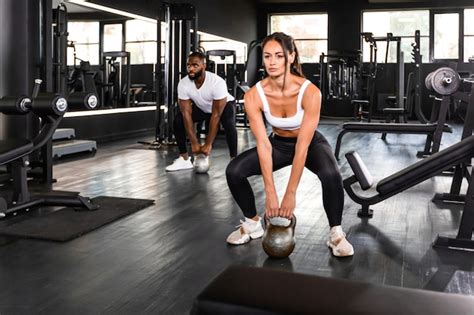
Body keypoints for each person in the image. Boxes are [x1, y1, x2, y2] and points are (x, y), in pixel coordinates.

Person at [225, 32, 354, 257]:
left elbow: (302, 147)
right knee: (234, 171)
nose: (272, 62)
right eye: (267, 56)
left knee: (331, 175)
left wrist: (290, 194)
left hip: (310, 143)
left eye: (279, 56)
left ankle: (336, 233)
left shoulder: (310, 92)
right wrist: (270, 192)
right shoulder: (254, 96)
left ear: (291, 57)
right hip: (277, 144)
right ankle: (253, 223)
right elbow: (264, 145)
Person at [166, 51, 238, 172]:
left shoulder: (217, 82)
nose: (191, 69)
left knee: (229, 124)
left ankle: (234, 160)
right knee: (178, 120)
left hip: (224, 106)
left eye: (195, 65)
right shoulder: (183, 84)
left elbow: (216, 115)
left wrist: (208, 144)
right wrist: (194, 142)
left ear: (204, 66)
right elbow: (186, 113)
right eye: (188, 65)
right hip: (204, 107)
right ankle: (184, 159)